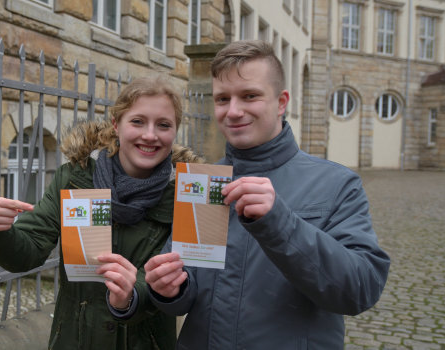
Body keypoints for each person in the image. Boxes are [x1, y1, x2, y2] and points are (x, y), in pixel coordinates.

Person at [143, 40, 391, 349]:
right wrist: (169, 288)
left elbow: (360, 290)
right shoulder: (203, 183)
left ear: (281, 102)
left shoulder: (337, 184)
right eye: (222, 99)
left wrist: (280, 223)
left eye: (250, 96)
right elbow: (186, 291)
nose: (233, 111)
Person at [0, 77, 202, 349]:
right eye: (137, 121)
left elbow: (187, 279)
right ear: (117, 125)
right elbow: (29, 251)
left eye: (163, 125)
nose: (150, 135)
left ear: (175, 131)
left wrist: (134, 295)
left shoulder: (187, 196)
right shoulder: (74, 178)